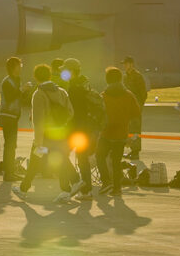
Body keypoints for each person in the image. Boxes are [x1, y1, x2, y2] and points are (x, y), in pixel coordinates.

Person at [13, 63, 80, 203]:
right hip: (60, 133)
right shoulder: (61, 91)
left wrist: (38, 142)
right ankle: (69, 186)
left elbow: (38, 121)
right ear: (50, 76)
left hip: (45, 136)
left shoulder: (39, 94)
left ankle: (24, 189)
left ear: (36, 77)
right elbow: (71, 112)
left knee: (36, 159)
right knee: (59, 158)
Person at [97, 66, 140, 196]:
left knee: (100, 157)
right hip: (121, 134)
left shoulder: (103, 96)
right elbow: (136, 113)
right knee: (116, 162)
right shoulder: (128, 95)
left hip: (106, 133)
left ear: (107, 80)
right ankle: (117, 189)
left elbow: (98, 113)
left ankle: (105, 181)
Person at [63, 58, 98, 200]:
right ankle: (86, 191)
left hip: (76, 128)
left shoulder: (74, 87)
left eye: (66, 70)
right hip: (86, 128)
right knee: (83, 159)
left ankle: (77, 182)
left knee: (61, 154)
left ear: (72, 71)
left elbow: (73, 111)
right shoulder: (84, 84)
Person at [0, 57, 23, 181]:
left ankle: (10, 172)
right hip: (8, 116)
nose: (21, 68)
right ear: (13, 67)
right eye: (19, 66)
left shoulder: (16, 80)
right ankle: (8, 173)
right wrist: (21, 91)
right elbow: (10, 98)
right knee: (9, 145)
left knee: (12, 145)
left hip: (13, 117)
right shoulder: (7, 82)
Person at [122, 56, 148, 160]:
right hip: (127, 107)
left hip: (135, 107)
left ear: (131, 64)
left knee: (135, 129)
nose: (124, 66)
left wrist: (139, 106)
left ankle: (136, 151)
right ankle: (132, 150)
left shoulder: (137, 76)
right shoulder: (125, 76)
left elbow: (143, 93)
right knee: (129, 128)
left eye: (126, 63)